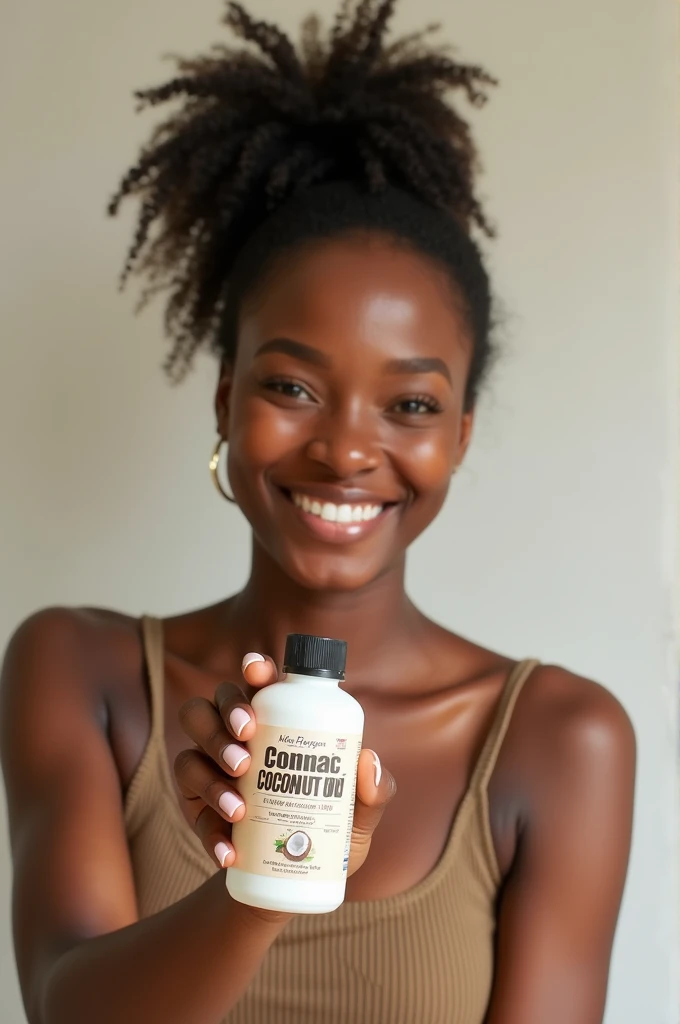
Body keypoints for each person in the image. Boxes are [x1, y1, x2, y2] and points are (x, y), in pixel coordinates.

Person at [0, 2, 636, 1022]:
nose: (344, 448)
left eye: (410, 404)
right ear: (225, 398)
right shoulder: (81, 672)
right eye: (292, 386)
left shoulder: (560, 741)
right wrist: (266, 877)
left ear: (459, 437)